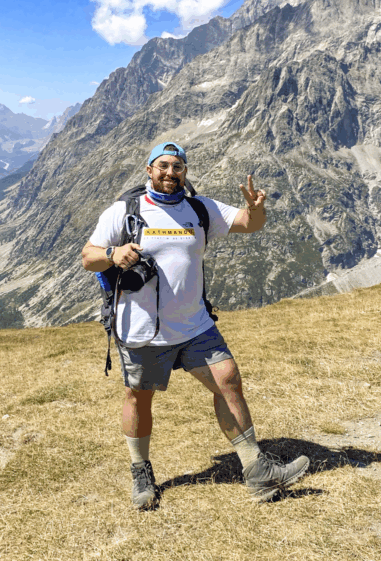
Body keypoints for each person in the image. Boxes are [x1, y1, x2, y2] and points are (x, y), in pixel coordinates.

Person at [81, 141, 310, 510]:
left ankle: (257, 471)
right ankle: (141, 471)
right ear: (149, 169)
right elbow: (88, 257)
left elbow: (249, 224)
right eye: (164, 166)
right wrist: (113, 254)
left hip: (194, 324)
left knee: (228, 379)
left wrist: (257, 208)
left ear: (185, 172)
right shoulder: (123, 211)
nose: (171, 173)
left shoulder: (200, 208)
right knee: (139, 398)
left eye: (178, 167)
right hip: (142, 329)